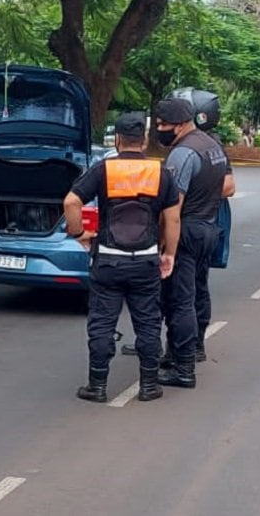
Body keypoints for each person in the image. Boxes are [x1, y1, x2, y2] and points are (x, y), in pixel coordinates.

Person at [64, 112, 181, 403]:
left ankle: (98, 385)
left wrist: (79, 235)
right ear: (143, 141)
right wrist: (168, 254)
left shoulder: (103, 169)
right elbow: (173, 219)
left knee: (102, 322)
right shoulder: (160, 173)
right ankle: (149, 384)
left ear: (117, 140)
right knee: (148, 323)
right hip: (145, 260)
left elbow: (71, 201)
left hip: (108, 259)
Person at [153, 96, 231, 389]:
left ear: (181, 123)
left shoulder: (182, 154)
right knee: (198, 291)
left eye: (164, 124)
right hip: (209, 228)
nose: (160, 129)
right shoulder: (212, 146)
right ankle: (188, 349)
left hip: (186, 231)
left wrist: (164, 245)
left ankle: (183, 367)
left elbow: (173, 210)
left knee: (179, 300)